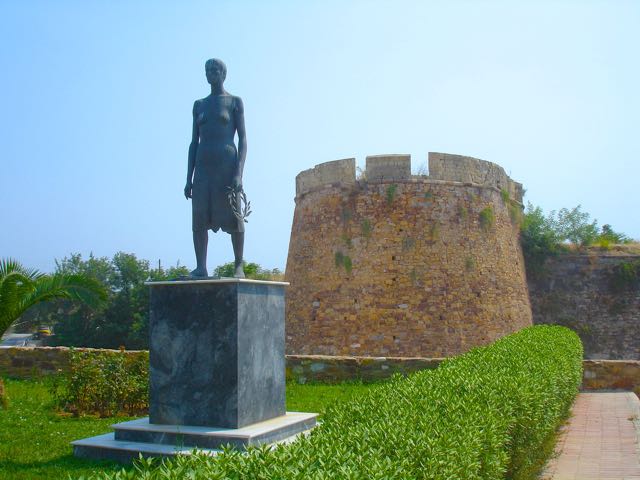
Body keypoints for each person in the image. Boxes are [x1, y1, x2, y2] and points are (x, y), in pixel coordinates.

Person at [184, 58, 246, 278]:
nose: (211, 73)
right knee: (199, 218)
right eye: (208, 70)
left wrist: (239, 173)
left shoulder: (234, 102)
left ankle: (238, 264)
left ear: (223, 74)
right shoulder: (199, 105)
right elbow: (194, 142)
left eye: (215, 70)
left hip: (226, 167)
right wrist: (188, 177)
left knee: (234, 217)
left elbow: (243, 141)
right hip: (202, 169)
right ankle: (201, 266)